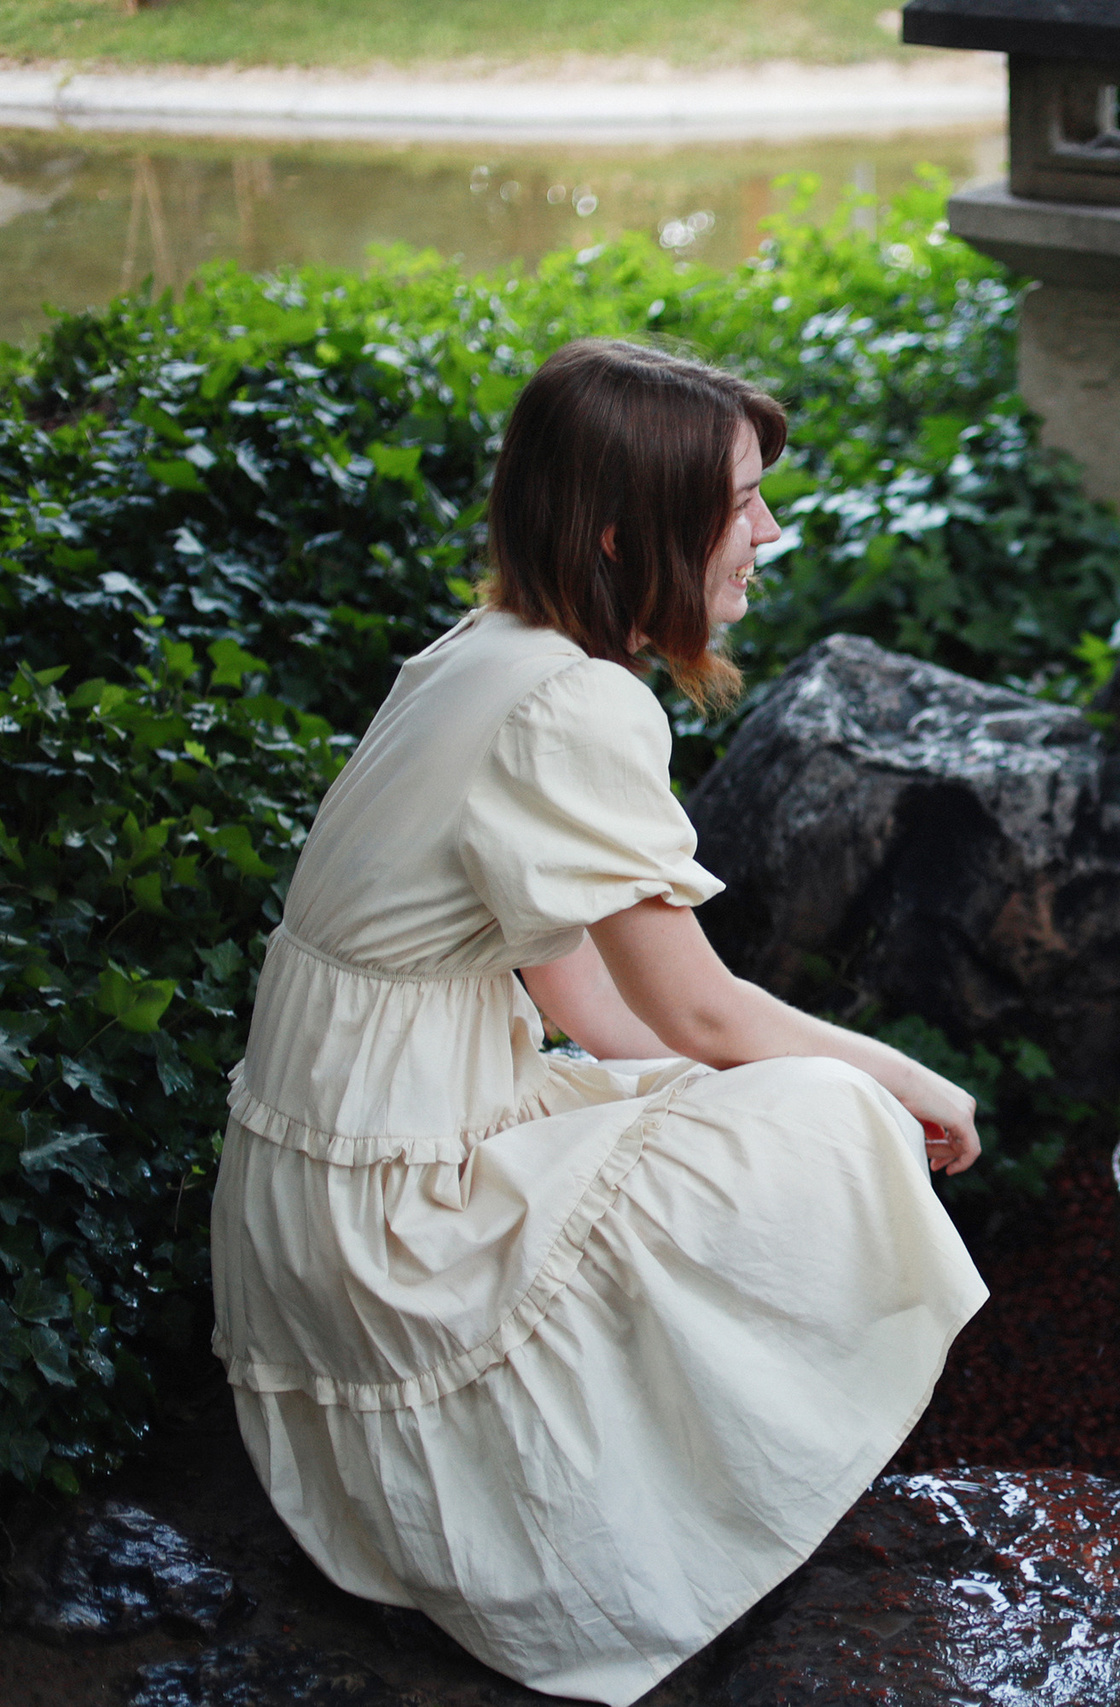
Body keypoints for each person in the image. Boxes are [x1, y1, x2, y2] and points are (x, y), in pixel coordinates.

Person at [208, 339, 990, 1704]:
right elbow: (695, 1002)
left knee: (740, 1107)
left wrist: (695, 1105)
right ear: (629, 530)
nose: (770, 530)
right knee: (826, 1113)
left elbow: (586, 999)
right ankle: (685, 1513)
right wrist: (911, 1083)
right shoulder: (574, 703)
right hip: (391, 1203)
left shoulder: (488, 649)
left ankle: (707, 1468)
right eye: (740, 501)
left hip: (336, 1171)